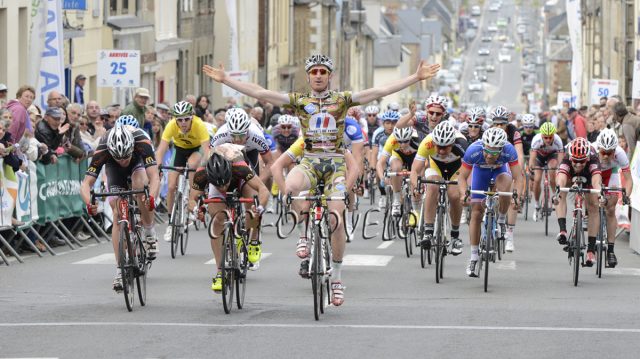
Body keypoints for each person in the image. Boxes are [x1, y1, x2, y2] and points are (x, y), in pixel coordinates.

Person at [203, 54, 440, 306]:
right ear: (308, 76)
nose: (318, 75)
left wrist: (415, 77)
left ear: (329, 76)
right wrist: (227, 80)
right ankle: (304, 233)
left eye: (322, 72)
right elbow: (262, 91)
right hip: (310, 161)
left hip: (335, 163)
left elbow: (379, 90)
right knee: (290, 188)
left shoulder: (341, 100)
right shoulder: (299, 101)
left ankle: (336, 279)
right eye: (314, 72)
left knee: (336, 220)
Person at [81, 125, 160, 291]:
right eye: (119, 158)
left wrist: (151, 198)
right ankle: (120, 269)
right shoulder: (103, 148)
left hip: (138, 163)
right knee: (117, 213)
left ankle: (149, 231)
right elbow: (86, 184)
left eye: (125, 157)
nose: (123, 161)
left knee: (140, 186)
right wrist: (89, 204)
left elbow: (154, 177)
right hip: (113, 169)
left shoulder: (141, 141)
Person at [190, 144, 269, 290]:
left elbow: (263, 190)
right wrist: (196, 209)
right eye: (219, 185)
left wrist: (259, 207)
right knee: (217, 221)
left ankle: (253, 241)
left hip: (239, 179)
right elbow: (192, 198)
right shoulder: (202, 173)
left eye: (225, 184)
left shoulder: (240, 166)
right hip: (218, 175)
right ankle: (220, 272)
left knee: (252, 204)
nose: (223, 188)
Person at [457, 127, 523, 277]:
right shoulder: (474, 150)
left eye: (493, 153)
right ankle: (474, 257)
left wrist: (517, 196)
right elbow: (461, 177)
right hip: (480, 172)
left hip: (500, 170)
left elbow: (518, 177)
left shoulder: (508, 150)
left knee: (504, 187)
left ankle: (501, 219)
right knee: (476, 212)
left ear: (500, 150)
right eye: (486, 150)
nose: (488, 155)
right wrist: (463, 194)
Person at [154, 101, 211, 242]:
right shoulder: (171, 125)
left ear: (192, 117)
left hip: (196, 149)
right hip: (179, 150)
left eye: (186, 119)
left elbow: (207, 151)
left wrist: (204, 167)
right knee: (172, 186)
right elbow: (161, 150)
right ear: (175, 119)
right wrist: (157, 167)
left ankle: (192, 199)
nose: (183, 122)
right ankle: (170, 222)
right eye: (180, 120)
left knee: (192, 164)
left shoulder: (199, 125)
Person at [411, 121, 468, 255]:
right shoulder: (427, 142)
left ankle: (454, 236)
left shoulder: (462, 144)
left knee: (454, 195)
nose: (442, 151)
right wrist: (416, 188)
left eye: (445, 147)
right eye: (439, 147)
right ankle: (428, 231)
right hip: (435, 166)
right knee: (432, 186)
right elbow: (414, 170)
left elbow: (471, 170)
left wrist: (465, 191)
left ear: (452, 144)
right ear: (434, 142)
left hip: (456, 169)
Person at [554, 137, 602, 267]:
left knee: (593, 206)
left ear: (587, 158)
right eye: (576, 161)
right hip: (570, 174)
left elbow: (596, 181)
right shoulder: (567, 157)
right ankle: (563, 230)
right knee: (561, 191)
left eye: (582, 161)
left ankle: (591, 251)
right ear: (571, 158)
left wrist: (599, 193)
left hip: (589, 175)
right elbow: (562, 178)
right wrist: (558, 189)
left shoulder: (593, 158)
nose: (579, 164)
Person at [591, 129, 632, 267]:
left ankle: (611, 250)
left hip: (611, 173)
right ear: (598, 148)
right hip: (593, 171)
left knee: (611, 208)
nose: (606, 156)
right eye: (603, 152)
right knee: (592, 202)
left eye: (610, 153)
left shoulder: (620, 154)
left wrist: (627, 195)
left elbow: (628, 180)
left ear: (615, 150)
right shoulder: (591, 149)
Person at [489, 106, 524, 252]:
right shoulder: (488, 131)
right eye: (496, 123)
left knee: (510, 196)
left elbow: (519, 154)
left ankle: (509, 234)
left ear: (507, 123)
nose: (499, 127)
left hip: (509, 162)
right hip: (492, 162)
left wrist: (518, 172)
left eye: (502, 124)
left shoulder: (513, 132)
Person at [528, 122, 563, 221]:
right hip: (539, 157)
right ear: (542, 136)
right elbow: (533, 157)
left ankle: (554, 197)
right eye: (545, 137)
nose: (548, 140)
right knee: (537, 179)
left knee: (553, 173)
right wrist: (531, 167)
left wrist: (560, 169)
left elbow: (560, 159)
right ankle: (536, 204)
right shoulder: (536, 139)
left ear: (553, 136)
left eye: (550, 137)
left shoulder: (558, 140)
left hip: (551, 156)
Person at [370, 110, 398, 208]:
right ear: (383, 123)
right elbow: (374, 152)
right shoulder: (378, 133)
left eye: (394, 123)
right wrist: (373, 167)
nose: (390, 126)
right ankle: (383, 195)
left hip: (396, 154)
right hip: (383, 154)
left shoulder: (400, 132)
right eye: (388, 123)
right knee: (379, 170)